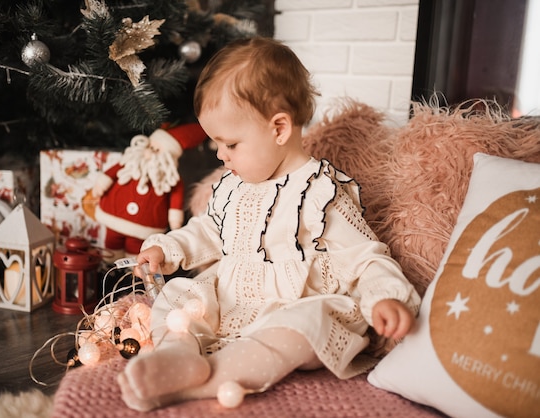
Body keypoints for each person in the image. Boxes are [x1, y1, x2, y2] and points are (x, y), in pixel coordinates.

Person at [117, 37, 421, 411]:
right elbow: (209, 230)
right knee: (179, 296)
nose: (219, 154)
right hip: (232, 297)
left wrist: (385, 296)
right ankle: (178, 353)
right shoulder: (232, 186)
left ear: (279, 129)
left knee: (306, 327)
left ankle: (204, 381)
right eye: (216, 143)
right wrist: (169, 248)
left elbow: (366, 256)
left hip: (290, 306)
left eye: (229, 144)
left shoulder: (320, 193)